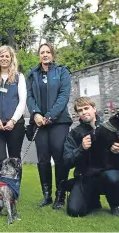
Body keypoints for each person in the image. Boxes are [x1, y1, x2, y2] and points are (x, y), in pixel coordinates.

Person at [64, 97, 119, 217]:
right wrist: (81, 149)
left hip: (107, 173)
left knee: (112, 177)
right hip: (85, 176)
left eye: (86, 108)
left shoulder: (111, 128)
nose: (84, 112)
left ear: (94, 109)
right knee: (75, 211)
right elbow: (67, 161)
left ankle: (116, 204)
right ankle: (92, 200)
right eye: (80, 110)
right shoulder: (74, 133)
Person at [26, 43, 72, 209]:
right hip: (39, 123)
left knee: (59, 157)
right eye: (41, 52)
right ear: (39, 55)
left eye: (47, 52)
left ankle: (60, 195)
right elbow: (29, 97)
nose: (44, 55)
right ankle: (47, 195)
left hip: (59, 122)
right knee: (43, 158)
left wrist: (49, 115)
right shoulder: (32, 74)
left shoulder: (62, 72)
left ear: (52, 54)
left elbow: (63, 96)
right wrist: (36, 114)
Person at [0, 46, 27, 176]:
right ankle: (0, 193)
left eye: (7, 56)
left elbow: (22, 101)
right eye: (1, 56)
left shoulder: (18, 77)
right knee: (0, 159)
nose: (4, 59)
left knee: (14, 160)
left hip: (15, 125)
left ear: (11, 59)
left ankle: (13, 193)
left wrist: (13, 120)